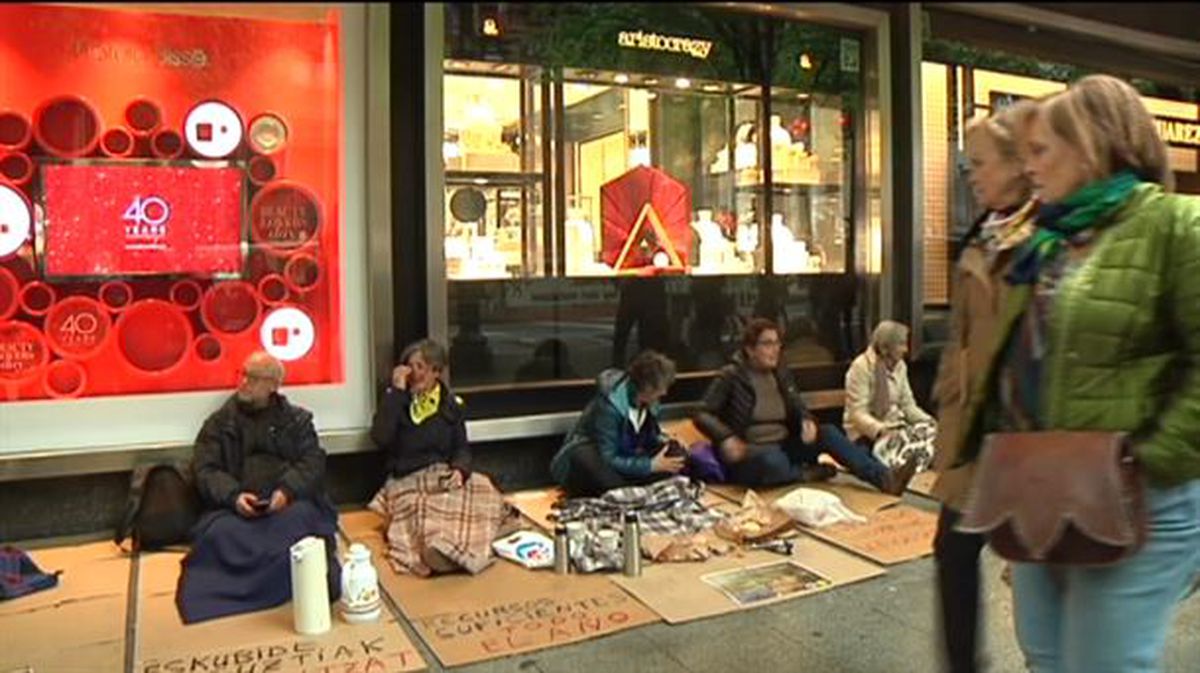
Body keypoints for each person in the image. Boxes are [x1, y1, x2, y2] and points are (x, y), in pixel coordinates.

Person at [957, 74, 1200, 672]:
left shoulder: (1176, 225)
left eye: (1041, 151)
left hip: (1141, 496)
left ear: (1093, 144)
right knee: (1046, 656)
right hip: (1045, 489)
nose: (1028, 166)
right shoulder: (1051, 239)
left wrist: (1147, 463)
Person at [929, 100, 1039, 673]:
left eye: (981, 163)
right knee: (953, 548)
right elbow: (962, 336)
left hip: (1023, 431)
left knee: (1040, 564)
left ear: (1019, 164)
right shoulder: (982, 234)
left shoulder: (1043, 236)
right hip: (977, 430)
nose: (972, 175)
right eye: (967, 164)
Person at [177, 351, 339, 624]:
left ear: (274, 385)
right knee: (219, 535)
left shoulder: (297, 421)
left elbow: (312, 462)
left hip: (285, 504)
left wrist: (286, 491)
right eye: (243, 375)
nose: (243, 383)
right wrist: (233, 496)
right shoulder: (219, 424)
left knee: (303, 529)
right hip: (236, 508)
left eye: (253, 378)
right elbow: (206, 469)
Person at [694, 318, 918, 494]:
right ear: (750, 349)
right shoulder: (732, 375)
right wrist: (726, 437)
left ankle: (885, 478)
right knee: (773, 461)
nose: (775, 350)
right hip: (751, 452)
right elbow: (701, 413)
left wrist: (806, 419)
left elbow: (796, 404)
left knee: (828, 432)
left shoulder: (781, 372)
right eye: (767, 344)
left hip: (784, 444)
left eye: (777, 344)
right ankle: (803, 474)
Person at [369, 338, 509, 576]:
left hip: (442, 474)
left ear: (436, 372)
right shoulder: (396, 401)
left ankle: (466, 549)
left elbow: (462, 448)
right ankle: (436, 551)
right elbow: (380, 437)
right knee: (422, 508)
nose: (414, 373)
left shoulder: (450, 405)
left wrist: (459, 470)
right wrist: (396, 394)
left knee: (483, 488)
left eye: (420, 367)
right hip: (408, 478)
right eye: (410, 366)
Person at [550, 350, 684, 497]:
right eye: (660, 388)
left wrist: (666, 442)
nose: (664, 392)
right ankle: (626, 491)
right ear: (647, 387)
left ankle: (629, 490)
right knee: (588, 459)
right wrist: (649, 466)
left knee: (673, 459)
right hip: (597, 460)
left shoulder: (650, 403)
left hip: (627, 455)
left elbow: (648, 437)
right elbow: (608, 457)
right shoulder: (610, 406)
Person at [844, 320, 938, 471]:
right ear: (885, 347)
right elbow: (857, 413)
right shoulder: (860, 367)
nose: (905, 349)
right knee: (872, 460)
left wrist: (929, 421)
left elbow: (908, 405)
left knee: (933, 435)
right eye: (901, 344)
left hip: (897, 429)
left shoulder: (900, 366)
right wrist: (881, 430)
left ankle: (909, 463)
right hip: (867, 435)